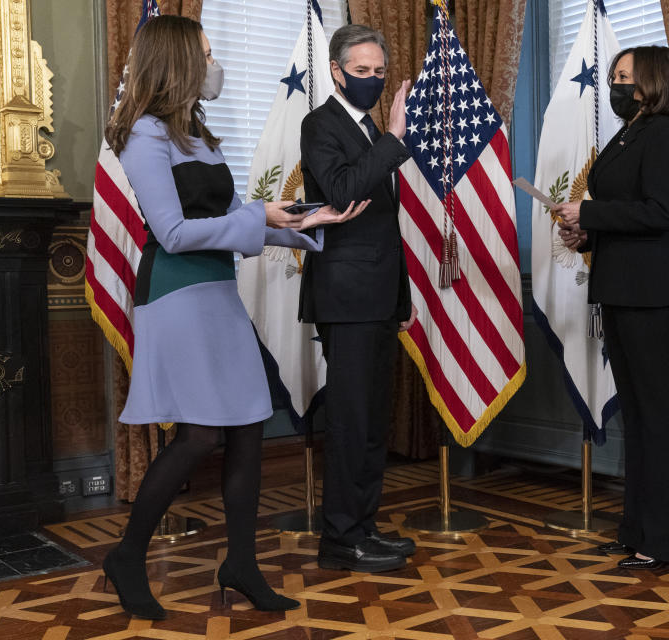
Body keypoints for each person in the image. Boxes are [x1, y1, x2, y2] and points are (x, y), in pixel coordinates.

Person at [100, 15, 367, 620]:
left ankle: (240, 563)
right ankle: (127, 555)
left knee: (248, 425)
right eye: (207, 53)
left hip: (217, 289)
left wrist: (305, 223)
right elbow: (171, 231)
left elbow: (238, 219)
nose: (214, 64)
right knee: (199, 435)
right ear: (177, 61)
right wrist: (262, 220)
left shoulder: (196, 132)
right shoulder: (145, 135)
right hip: (176, 293)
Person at [553, 45, 669, 570]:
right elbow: (625, 212)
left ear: (654, 81)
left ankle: (663, 541)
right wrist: (586, 235)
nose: (615, 84)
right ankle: (636, 529)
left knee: (657, 415)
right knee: (637, 414)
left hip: (654, 289)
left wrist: (589, 211)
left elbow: (659, 212)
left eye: (625, 76)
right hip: (622, 283)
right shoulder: (630, 131)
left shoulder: (663, 133)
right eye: (614, 75)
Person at [298, 24, 418, 573]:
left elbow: (383, 224)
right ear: (337, 71)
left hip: (378, 299)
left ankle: (363, 527)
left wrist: (400, 296)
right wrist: (394, 137)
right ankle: (340, 538)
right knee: (350, 423)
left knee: (372, 423)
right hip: (345, 300)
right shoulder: (319, 124)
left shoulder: (369, 130)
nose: (371, 80)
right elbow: (343, 191)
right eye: (361, 72)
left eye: (379, 73)